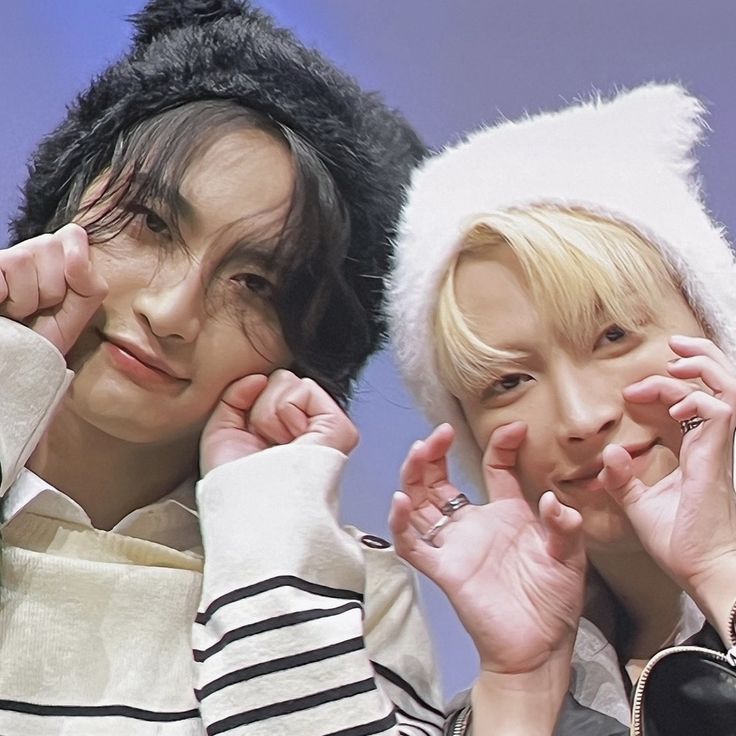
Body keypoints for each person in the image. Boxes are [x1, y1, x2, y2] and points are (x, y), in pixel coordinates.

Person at [0, 1, 446, 734]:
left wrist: (272, 545)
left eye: (257, 284)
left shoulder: (348, 592)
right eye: (148, 223)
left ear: (308, 350)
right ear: (61, 208)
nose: (173, 310)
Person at [387, 84, 736, 734]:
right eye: (510, 381)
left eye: (613, 336)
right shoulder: (491, 709)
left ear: (713, 329)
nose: (580, 418)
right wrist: (520, 692)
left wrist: (722, 565)